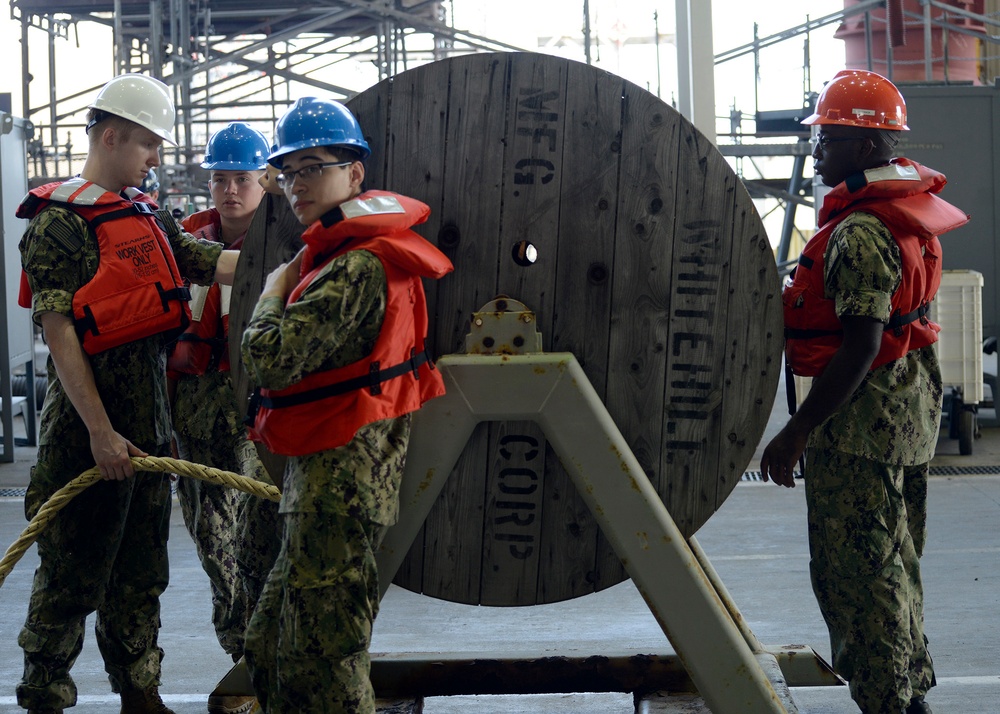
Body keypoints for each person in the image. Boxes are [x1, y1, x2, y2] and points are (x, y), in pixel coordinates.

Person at [15, 73, 239, 714]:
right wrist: (100, 432)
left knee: (141, 573)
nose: (156, 159)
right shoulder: (58, 226)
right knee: (70, 572)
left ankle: (140, 694)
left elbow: (210, 260)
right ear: (111, 136)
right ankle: (44, 694)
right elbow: (61, 336)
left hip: (148, 429)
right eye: (148, 145)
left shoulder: (144, 213)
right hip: (84, 438)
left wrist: (306, 258)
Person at [760, 69, 969, 714]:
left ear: (863, 144)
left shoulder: (859, 232)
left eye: (827, 140)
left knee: (859, 579)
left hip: (860, 432)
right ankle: (908, 694)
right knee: (897, 567)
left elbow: (860, 347)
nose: (818, 152)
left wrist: (795, 433)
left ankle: (888, 703)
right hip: (906, 420)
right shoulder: (903, 217)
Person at [239, 96, 453, 713]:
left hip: (343, 486)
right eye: (286, 172)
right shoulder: (337, 256)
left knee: (329, 655)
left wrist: (272, 293)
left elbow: (270, 357)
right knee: (270, 640)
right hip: (320, 477)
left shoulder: (356, 267)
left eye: (312, 167)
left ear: (354, 173)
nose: (294, 185)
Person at [165, 121, 270, 714]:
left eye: (242, 180)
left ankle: (272, 659)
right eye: (221, 179)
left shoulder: (290, 245)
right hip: (199, 412)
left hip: (264, 415)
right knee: (215, 544)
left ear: (264, 182)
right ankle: (243, 664)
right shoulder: (185, 243)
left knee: (266, 539)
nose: (230, 190)